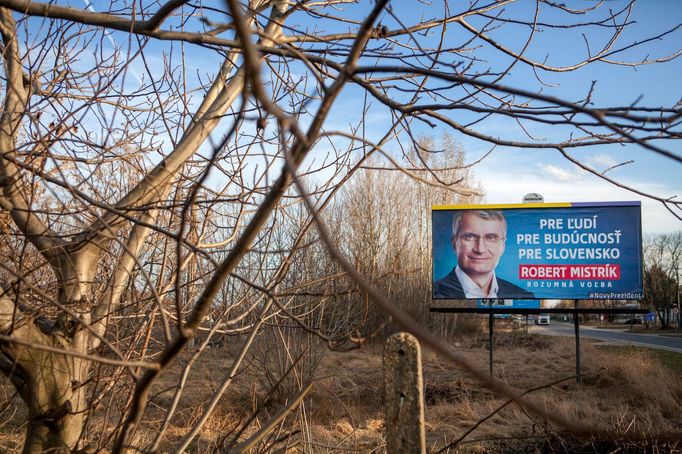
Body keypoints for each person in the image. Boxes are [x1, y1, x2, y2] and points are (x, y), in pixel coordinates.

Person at [433, 210, 534, 299]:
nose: (480, 249)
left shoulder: (523, 296)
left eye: (491, 238)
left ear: (502, 246)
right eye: (469, 237)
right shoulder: (435, 292)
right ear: (454, 244)